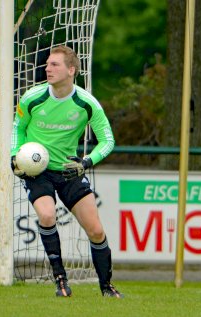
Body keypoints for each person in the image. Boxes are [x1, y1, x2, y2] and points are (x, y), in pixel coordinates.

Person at [11, 45, 122, 298]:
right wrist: (14, 156)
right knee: (47, 216)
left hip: (70, 170)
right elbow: (17, 128)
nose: (47, 68)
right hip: (37, 171)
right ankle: (61, 280)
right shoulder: (32, 98)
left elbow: (108, 140)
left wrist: (86, 162)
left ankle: (107, 286)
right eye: (47, 64)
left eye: (54, 65)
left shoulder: (86, 103)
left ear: (71, 70)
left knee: (95, 230)